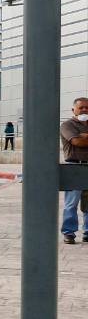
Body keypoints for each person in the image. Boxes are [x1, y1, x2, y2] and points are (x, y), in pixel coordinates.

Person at [60, 98, 88, 244]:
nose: (84, 110)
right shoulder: (67, 125)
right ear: (74, 110)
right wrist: (80, 138)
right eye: (81, 107)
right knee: (71, 202)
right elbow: (76, 142)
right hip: (74, 166)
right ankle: (69, 232)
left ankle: (87, 232)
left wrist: (85, 137)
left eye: (87, 108)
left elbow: (82, 140)